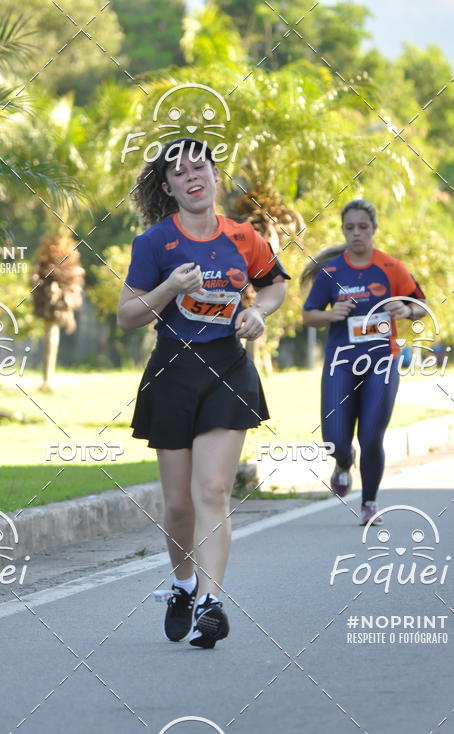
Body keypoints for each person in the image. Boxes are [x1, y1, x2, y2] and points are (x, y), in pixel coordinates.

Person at [118, 138, 288, 648]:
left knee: (212, 491)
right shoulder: (153, 244)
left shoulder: (243, 236)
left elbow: (274, 284)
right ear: (167, 187)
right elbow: (127, 317)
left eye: (200, 166)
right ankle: (183, 584)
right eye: (179, 171)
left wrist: (259, 311)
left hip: (227, 368)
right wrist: (169, 288)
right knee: (178, 506)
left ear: (215, 176)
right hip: (172, 369)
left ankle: (212, 604)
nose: (192, 176)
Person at [301, 199, 427, 525]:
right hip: (341, 364)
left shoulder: (390, 268)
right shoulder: (331, 272)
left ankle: (369, 502)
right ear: (343, 230)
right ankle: (343, 462)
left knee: (371, 436)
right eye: (350, 228)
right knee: (335, 439)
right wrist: (330, 314)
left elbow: (422, 306)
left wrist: (406, 309)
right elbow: (308, 316)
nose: (357, 234)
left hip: (381, 363)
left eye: (363, 227)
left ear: (374, 229)